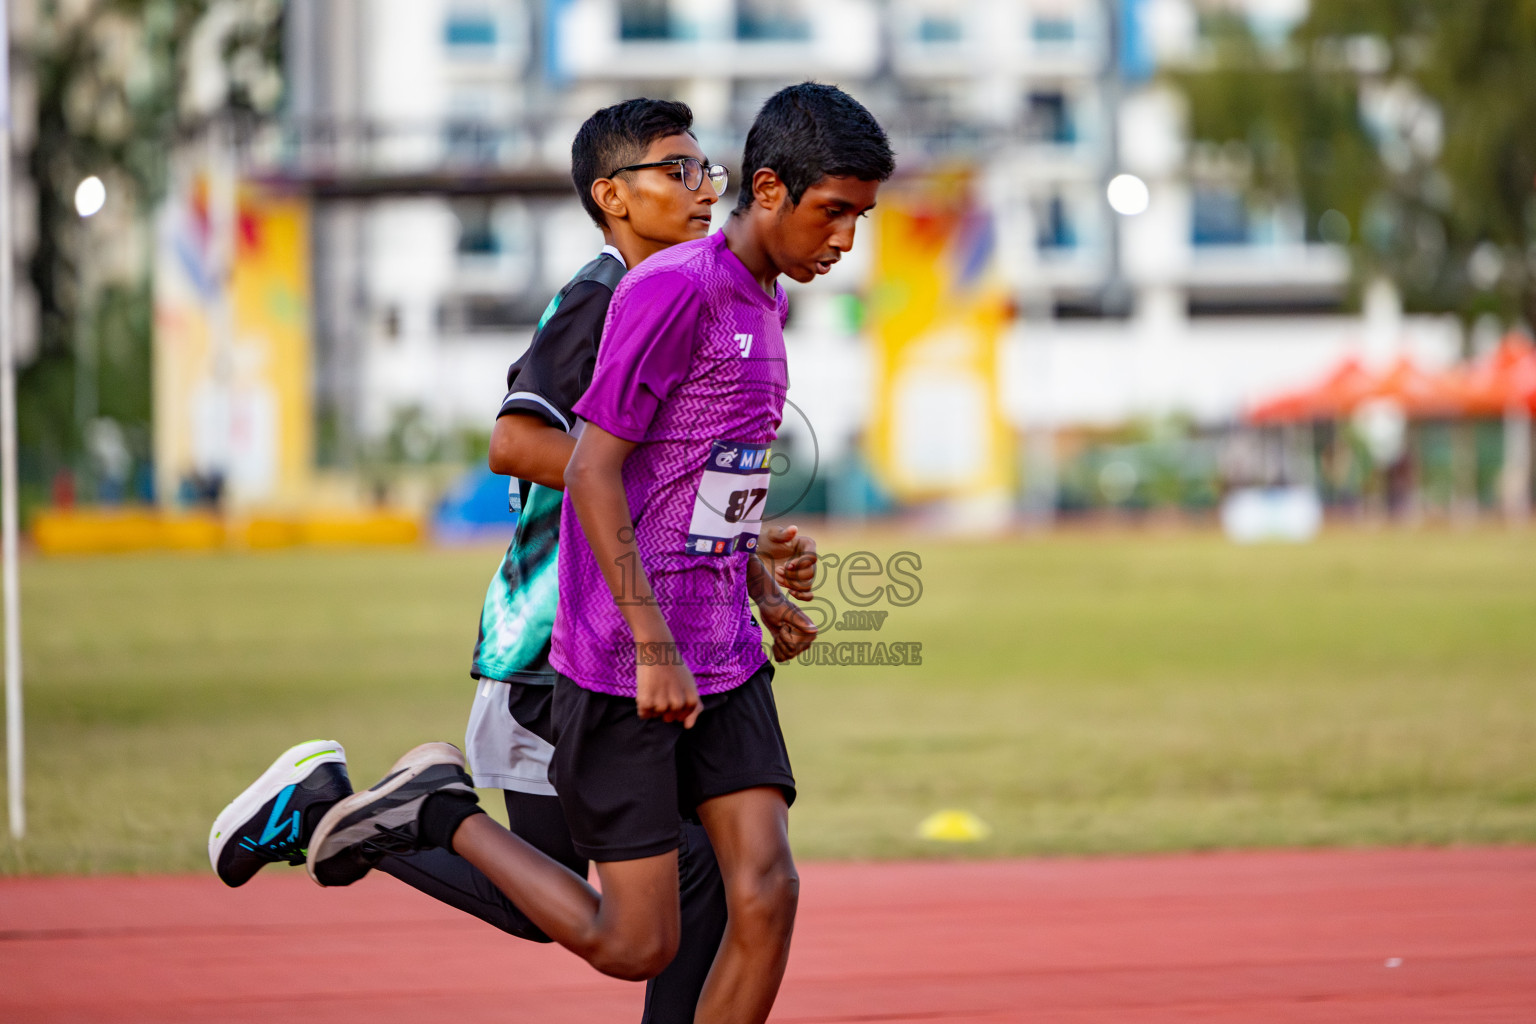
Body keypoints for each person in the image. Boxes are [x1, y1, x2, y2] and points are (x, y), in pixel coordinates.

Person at [208, 98, 815, 1024]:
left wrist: (753, 566)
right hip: (557, 645)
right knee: (657, 893)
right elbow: (516, 439)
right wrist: (635, 477)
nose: (702, 191)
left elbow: (676, 491)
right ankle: (402, 808)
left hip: (632, 634)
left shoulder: (692, 298)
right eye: (677, 172)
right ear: (611, 196)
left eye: (708, 172)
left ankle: (354, 803)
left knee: (684, 887)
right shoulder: (605, 294)